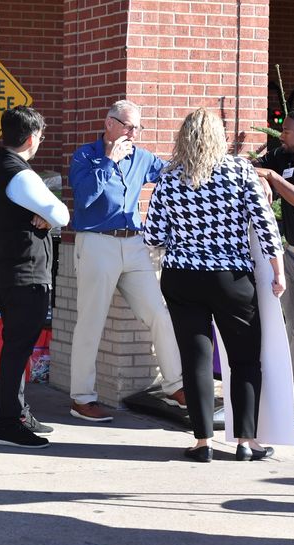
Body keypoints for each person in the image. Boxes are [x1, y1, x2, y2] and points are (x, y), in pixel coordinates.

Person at [144, 108, 284, 462]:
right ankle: (247, 442)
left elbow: (154, 235)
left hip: (182, 277)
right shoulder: (240, 171)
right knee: (245, 359)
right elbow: (265, 225)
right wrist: (278, 271)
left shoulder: (171, 175)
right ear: (220, 137)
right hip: (231, 278)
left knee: (195, 360)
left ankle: (203, 442)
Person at [68, 99, 185, 422]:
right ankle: (82, 398)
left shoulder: (142, 157)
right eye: (128, 126)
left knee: (158, 313)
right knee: (91, 322)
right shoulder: (85, 155)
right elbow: (84, 197)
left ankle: (176, 386)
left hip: (134, 244)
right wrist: (107, 162)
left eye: (138, 127)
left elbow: (172, 176)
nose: (133, 133)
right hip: (96, 243)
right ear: (109, 123)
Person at [0, 106, 69, 448]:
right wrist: (47, 215)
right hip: (24, 273)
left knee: (17, 347)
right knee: (18, 349)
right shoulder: (20, 173)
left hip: (8, 270)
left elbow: (48, 215)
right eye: (41, 137)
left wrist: (42, 215)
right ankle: (9, 423)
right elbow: (61, 213)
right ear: (31, 138)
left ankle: (18, 413)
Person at [254, 108, 294, 429]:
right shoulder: (281, 157)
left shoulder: (280, 169)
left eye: (287, 130)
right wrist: (261, 174)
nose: (281, 134)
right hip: (290, 253)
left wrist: (272, 178)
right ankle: (290, 398)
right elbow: (248, 169)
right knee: (290, 327)